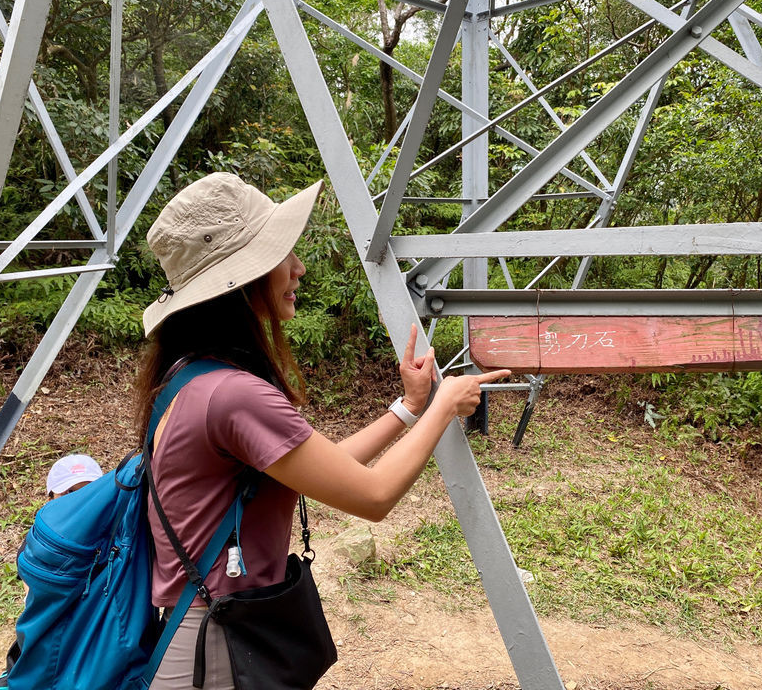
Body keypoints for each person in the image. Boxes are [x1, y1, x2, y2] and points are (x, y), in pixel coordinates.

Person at [135, 172, 508, 689]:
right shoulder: (234, 395)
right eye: (282, 253)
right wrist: (444, 406)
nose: (299, 267)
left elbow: (321, 465)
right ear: (241, 281)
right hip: (217, 650)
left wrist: (409, 408)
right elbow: (374, 497)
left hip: (209, 633)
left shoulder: (192, 379)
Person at [0, 453, 105, 689]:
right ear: (50, 498)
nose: (79, 500)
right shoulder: (37, 544)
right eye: (69, 492)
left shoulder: (114, 535)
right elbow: (34, 603)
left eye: (89, 491)